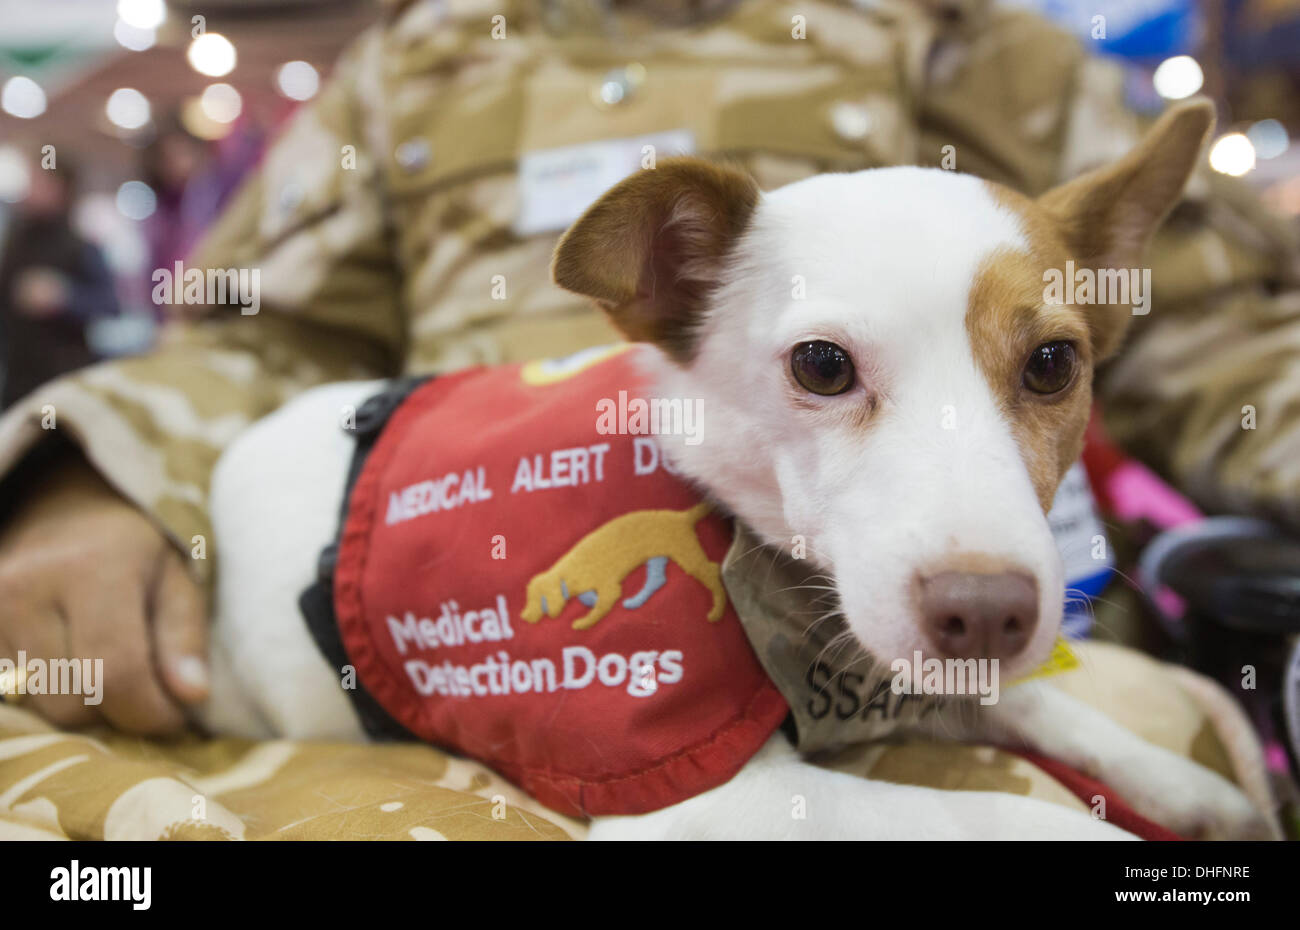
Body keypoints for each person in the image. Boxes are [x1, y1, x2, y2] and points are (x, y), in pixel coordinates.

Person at [0, 0, 1295, 735]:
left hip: (924, 673)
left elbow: (1184, 318)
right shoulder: (419, 60)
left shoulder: (957, 32)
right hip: (491, 649)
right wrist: (91, 478)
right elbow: (257, 333)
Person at [0, 158, 120, 408]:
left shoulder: (81, 244)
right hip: (18, 376)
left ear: (62, 189)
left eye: (40, 181)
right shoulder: (15, 242)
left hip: (63, 378)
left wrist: (64, 297)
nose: (31, 189)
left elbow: (111, 305)